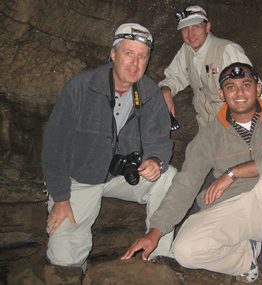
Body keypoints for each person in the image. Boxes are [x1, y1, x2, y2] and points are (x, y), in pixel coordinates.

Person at [123, 63, 262, 285]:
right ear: (221, 94)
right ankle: (245, 259)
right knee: (184, 251)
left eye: (246, 85)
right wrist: (156, 230)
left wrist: (233, 173)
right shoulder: (210, 135)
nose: (239, 93)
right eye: (231, 87)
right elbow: (186, 183)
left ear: (258, 89)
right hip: (232, 208)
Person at [42, 23, 177, 270]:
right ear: (113, 54)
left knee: (170, 176)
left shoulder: (148, 92)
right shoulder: (81, 87)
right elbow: (54, 146)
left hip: (123, 174)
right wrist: (60, 197)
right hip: (81, 177)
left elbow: (159, 140)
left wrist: (155, 161)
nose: (135, 63)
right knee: (64, 262)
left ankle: (160, 253)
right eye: (128, 53)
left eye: (142, 56)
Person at [159, 5, 262, 129]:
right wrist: (166, 90)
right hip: (206, 126)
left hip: (233, 125)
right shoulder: (186, 50)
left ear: (207, 27)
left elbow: (255, 90)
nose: (190, 34)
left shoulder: (226, 51)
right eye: (185, 29)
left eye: (196, 27)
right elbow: (175, 77)